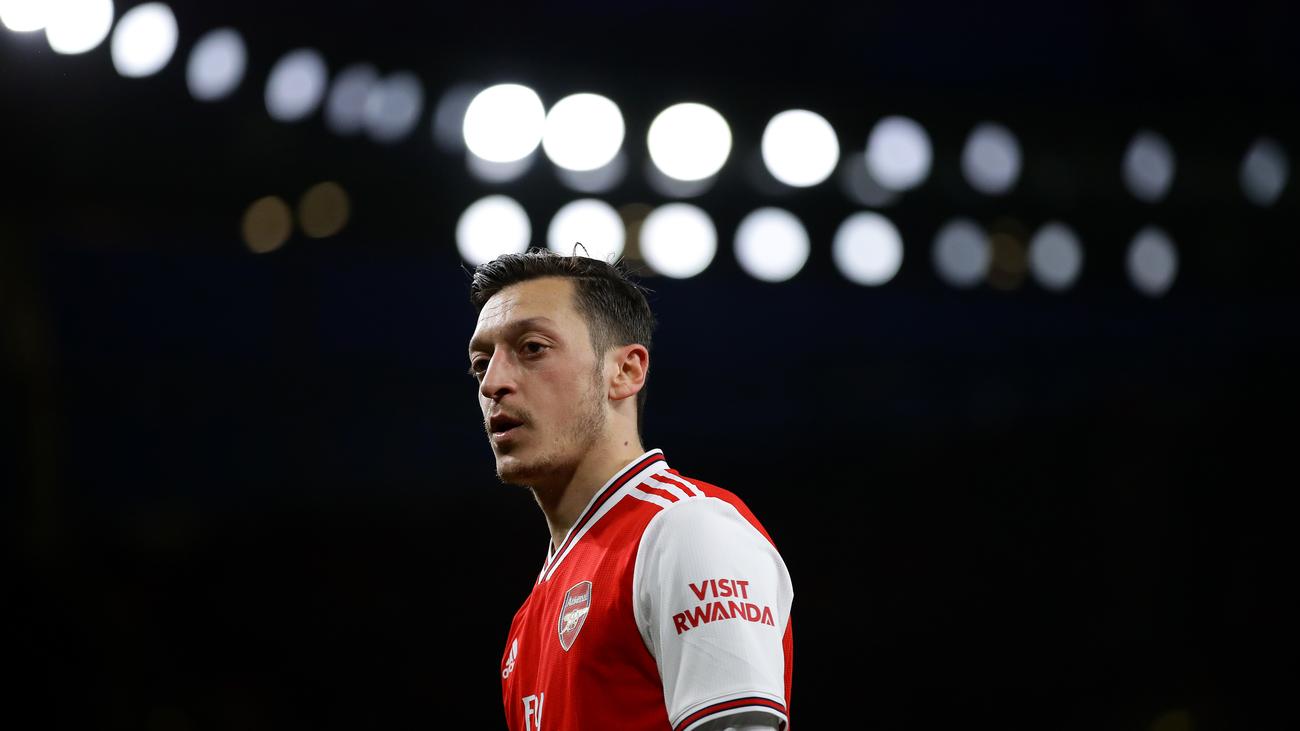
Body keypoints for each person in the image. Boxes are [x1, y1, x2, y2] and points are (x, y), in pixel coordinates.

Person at [467, 249, 793, 731]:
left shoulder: (686, 529)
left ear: (626, 372)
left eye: (532, 348)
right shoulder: (529, 615)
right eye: (481, 363)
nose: (492, 383)